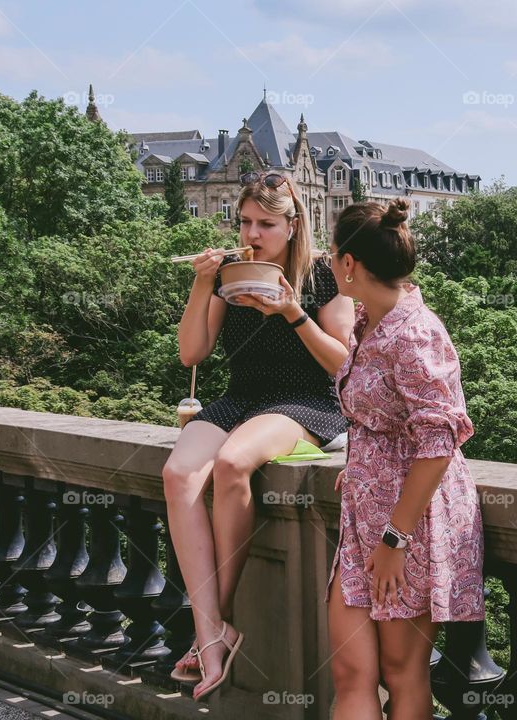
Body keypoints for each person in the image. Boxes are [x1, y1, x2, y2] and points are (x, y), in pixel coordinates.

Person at [162, 172, 353, 701]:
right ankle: (212, 632)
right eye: (245, 221)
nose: (251, 233)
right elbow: (192, 354)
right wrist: (203, 283)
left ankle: (213, 625)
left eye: (265, 224)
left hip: (304, 402)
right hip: (242, 396)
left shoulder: (324, 276)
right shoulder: (231, 271)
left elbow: (343, 361)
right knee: (178, 474)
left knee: (231, 462)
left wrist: (292, 312)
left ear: (293, 225)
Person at [324, 198, 484, 720]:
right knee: (350, 670)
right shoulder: (369, 319)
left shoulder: (415, 332)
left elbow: (439, 443)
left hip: (410, 520)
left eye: (331, 254)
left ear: (349, 264)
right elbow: (380, 415)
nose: (329, 263)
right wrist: (363, 465)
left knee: (401, 670)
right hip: (365, 513)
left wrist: (397, 538)